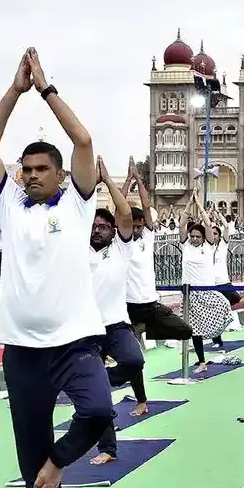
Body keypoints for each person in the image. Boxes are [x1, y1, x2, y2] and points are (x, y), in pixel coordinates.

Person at [0, 48, 116, 488]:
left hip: (74, 342)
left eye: (41, 169)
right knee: (28, 455)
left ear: (60, 174)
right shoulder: (9, 204)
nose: (32, 176)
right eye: (26, 169)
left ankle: (58, 463)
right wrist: (15, 90)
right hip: (23, 353)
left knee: (98, 413)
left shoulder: (78, 203)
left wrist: (45, 89)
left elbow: (83, 141)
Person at [88, 157, 147, 465]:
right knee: (99, 402)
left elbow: (124, 213)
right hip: (86, 330)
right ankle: (107, 449)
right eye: (93, 227)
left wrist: (108, 181)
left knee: (134, 361)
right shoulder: (78, 250)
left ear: (113, 231)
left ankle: (97, 381)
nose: (97, 230)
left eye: (103, 227)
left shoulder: (122, 248)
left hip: (116, 326)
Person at [124, 158, 194, 352]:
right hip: (128, 304)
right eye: (133, 226)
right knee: (134, 356)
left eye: (139, 226)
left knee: (185, 330)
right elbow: (118, 206)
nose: (136, 230)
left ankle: (141, 329)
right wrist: (128, 180)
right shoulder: (121, 242)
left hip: (150, 304)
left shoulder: (147, 237)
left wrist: (138, 179)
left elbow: (146, 206)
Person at [178, 188, 233, 373]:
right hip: (190, 294)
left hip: (208, 292)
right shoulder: (185, 246)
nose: (194, 239)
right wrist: (190, 202)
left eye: (198, 236)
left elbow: (208, 225)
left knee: (225, 310)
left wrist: (200, 205)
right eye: (192, 236)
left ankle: (219, 339)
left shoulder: (208, 247)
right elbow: (182, 224)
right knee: (194, 330)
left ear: (203, 238)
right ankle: (201, 362)